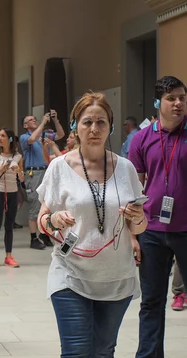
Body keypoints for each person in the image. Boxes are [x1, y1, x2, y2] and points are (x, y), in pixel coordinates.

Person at [37, 92, 146, 357]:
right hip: (70, 273)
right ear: (75, 125)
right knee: (76, 351)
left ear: (110, 126)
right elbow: (42, 221)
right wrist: (53, 220)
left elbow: (139, 226)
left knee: (103, 351)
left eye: (101, 122)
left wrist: (137, 219)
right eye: (87, 122)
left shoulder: (126, 168)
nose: (94, 129)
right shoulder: (59, 167)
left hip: (116, 276)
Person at [128, 76, 187, 358]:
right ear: (157, 102)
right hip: (151, 230)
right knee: (151, 301)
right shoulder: (141, 139)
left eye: (182, 98)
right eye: (171, 98)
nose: (178, 103)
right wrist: (132, 235)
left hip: (186, 229)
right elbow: (134, 190)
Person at [20, 111, 65, 250]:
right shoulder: (24, 137)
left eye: (35, 119)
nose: (34, 120)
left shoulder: (43, 136)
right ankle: (34, 238)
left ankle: (45, 233)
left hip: (46, 170)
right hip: (34, 172)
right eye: (31, 120)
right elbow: (32, 139)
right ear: (25, 125)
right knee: (35, 203)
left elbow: (61, 135)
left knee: (48, 202)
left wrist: (56, 120)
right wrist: (43, 122)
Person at [0, 129, 24, 268]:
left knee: (9, 225)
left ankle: (9, 256)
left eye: (3, 136)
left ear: (10, 139)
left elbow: (22, 177)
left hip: (13, 192)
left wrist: (19, 172)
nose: (0, 138)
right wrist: (1, 169)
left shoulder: (18, 156)